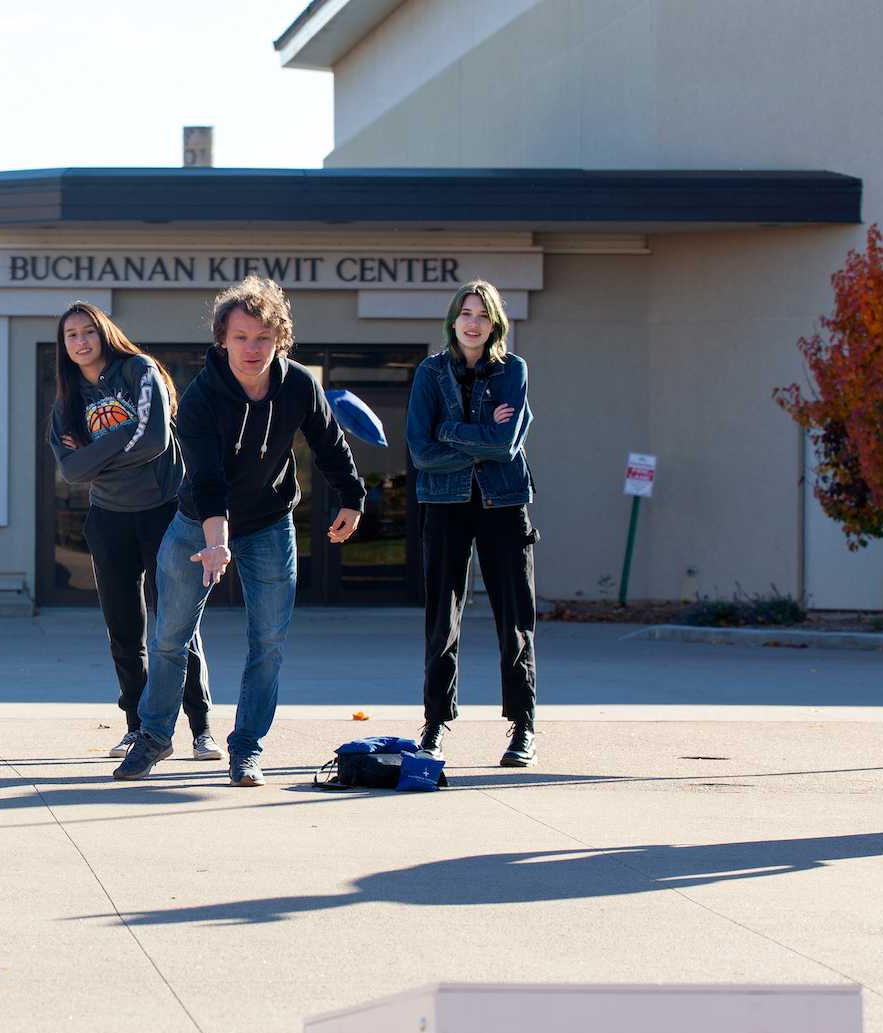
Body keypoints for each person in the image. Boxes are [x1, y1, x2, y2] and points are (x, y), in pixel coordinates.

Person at [114, 277, 366, 786]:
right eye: (241, 337)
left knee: (268, 642)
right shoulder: (203, 397)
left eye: (263, 338)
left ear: (280, 341)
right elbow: (207, 480)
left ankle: (246, 748)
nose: (252, 349)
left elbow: (329, 443)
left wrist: (353, 498)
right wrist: (215, 540)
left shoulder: (298, 385)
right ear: (222, 339)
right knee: (168, 637)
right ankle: (154, 737)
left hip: (271, 524)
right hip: (196, 525)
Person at [48, 301, 217, 761]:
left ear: (104, 333)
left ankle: (201, 726)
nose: (81, 341)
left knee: (177, 623)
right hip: (108, 519)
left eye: (88, 331)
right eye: (71, 335)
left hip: (165, 513)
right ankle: (138, 726)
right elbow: (70, 470)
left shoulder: (139, 371)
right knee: (124, 628)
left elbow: (156, 439)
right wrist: (122, 441)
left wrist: (97, 450)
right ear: (64, 345)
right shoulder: (67, 399)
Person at [404, 279, 538, 767]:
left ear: (495, 322)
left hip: (504, 503)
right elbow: (420, 451)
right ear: (453, 320)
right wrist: (477, 436)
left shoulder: (512, 372)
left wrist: (450, 430)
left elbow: (506, 446)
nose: (473, 322)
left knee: (515, 620)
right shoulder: (429, 373)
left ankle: (522, 728)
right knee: (443, 618)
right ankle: (435, 724)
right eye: (466, 313)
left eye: (483, 314)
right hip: (444, 505)